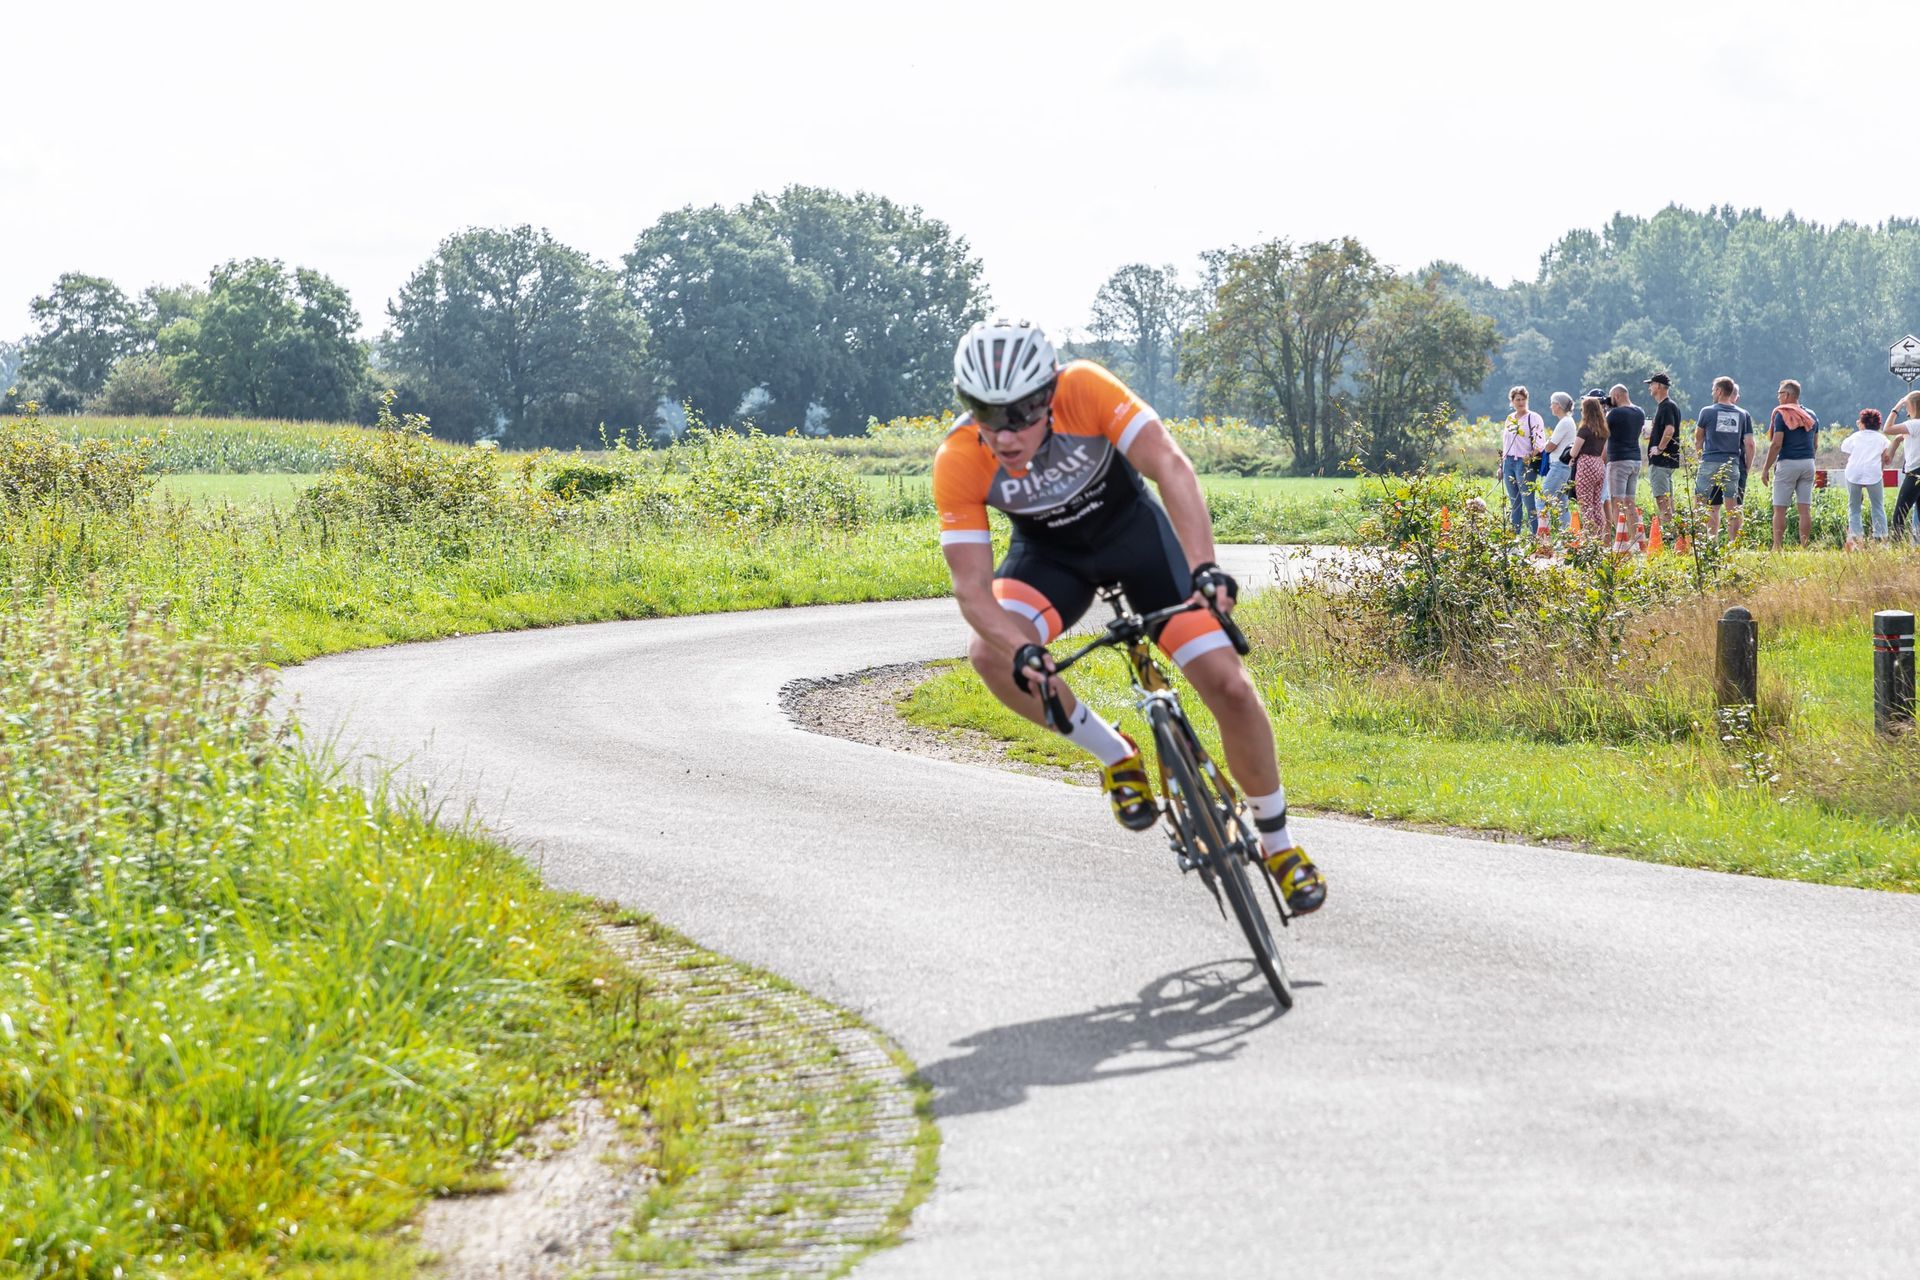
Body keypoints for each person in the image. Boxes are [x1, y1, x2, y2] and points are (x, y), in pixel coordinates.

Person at [932, 318, 1325, 913]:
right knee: (990, 655)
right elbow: (973, 591)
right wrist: (1022, 652)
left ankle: (1277, 842)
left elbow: (1169, 464)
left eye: (1018, 414)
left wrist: (1204, 570)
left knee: (1230, 687)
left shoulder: (1086, 387)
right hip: (1050, 562)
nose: (1004, 434)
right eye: (985, 414)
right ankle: (1117, 754)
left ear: (1048, 397)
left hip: (1138, 543)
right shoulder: (960, 458)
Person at [1760, 379, 1820, 551]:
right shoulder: (1812, 415)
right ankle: (1804, 546)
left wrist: (1765, 469)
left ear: (1787, 395)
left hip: (1788, 463)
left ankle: (1777, 547)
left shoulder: (1782, 414)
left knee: (1779, 509)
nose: (1778, 397)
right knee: (1804, 509)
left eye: (1779, 394)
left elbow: (1777, 443)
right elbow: (1815, 444)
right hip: (1808, 463)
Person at [1692, 376, 1754, 541]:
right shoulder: (1743, 414)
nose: (1713, 392)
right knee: (1732, 508)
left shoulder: (1707, 411)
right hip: (1732, 463)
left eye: (1713, 389)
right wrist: (1747, 466)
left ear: (1719, 391)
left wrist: (1700, 457)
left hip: (1710, 462)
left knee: (1701, 504)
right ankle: (1734, 545)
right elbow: (1749, 444)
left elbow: (1698, 438)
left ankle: (1702, 544)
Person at [1500, 386, 1548, 534]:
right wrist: (1501, 466)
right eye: (1517, 399)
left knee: (1529, 502)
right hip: (1508, 462)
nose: (1521, 402)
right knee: (1514, 502)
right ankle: (1514, 538)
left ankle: (1536, 537)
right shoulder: (1510, 419)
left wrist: (1531, 455)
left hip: (1524, 462)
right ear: (1512, 401)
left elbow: (1540, 444)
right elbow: (1506, 444)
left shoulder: (1533, 417)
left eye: (1523, 399)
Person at [1604, 384, 1647, 544]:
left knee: (1617, 501)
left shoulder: (1614, 413)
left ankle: (1621, 540)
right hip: (1635, 459)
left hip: (1618, 461)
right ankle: (1637, 539)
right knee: (1630, 502)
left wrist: (1606, 412)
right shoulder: (1639, 412)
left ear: (1616, 396)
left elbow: (1602, 431)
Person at [1840, 408, 1890, 543]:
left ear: (1862, 423)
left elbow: (1844, 447)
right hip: (1873, 473)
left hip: (1853, 473)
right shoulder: (1882, 438)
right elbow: (1887, 455)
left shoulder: (1855, 436)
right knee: (1877, 506)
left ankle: (1856, 537)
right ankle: (1880, 537)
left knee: (1854, 507)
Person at [1644, 373, 1683, 529]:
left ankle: (1668, 536)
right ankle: (1674, 535)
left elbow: (1670, 429)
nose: (1649, 387)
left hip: (1661, 462)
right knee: (1668, 502)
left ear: (1659, 386)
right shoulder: (1667, 406)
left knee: (1663, 502)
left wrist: (1659, 448)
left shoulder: (1666, 406)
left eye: (1651, 384)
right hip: (1668, 462)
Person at [1568, 394, 1610, 538]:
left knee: (1585, 503)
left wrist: (1571, 453)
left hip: (1586, 464)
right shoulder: (1603, 430)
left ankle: (1589, 537)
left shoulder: (1584, 429)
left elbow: (1574, 451)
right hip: (1599, 464)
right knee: (1596, 503)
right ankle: (1600, 535)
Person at [1541, 392, 1579, 528]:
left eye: (1552, 403)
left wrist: (1546, 443)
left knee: (1542, 499)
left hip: (1559, 466)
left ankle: (1543, 534)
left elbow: (1550, 447)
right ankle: (1567, 536)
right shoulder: (1568, 421)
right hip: (1564, 467)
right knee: (1562, 504)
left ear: (1558, 405)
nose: (1550, 406)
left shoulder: (1564, 422)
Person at [1887, 391, 1920, 542]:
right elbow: (1900, 437)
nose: (1906, 410)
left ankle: (1896, 549)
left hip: (1914, 475)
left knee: (1898, 516)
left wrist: (1896, 408)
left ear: (1913, 406)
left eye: (1907, 406)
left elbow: (1887, 429)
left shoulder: (1914, 424)